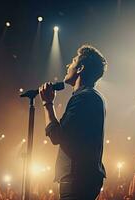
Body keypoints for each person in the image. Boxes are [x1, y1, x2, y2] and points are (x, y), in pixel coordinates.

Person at [39, 44, 108, 200]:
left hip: (77, 177)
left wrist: (47, 103)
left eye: (73, 61)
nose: (68, 65)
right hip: (85, 177)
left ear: (80, 69)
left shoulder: (83, 97)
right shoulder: (93, 97)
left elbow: (56, 135)